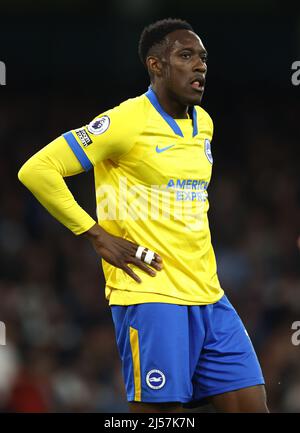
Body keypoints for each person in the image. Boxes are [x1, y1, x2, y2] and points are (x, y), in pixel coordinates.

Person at [18, 18, 269, 413]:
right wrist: (95, 234)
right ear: (156, 65)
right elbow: (37, 170)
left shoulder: (204, 124)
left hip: (209, 295)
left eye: (202, 58)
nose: (200, 65)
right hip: (151, 294)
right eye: (185, 56)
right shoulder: (126, 120)